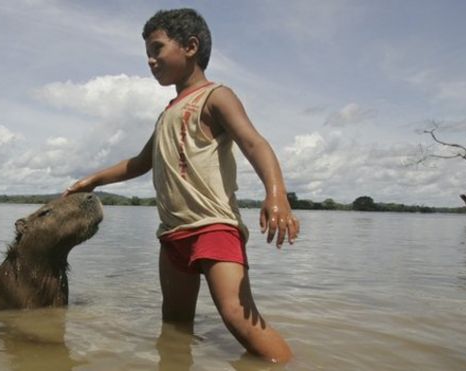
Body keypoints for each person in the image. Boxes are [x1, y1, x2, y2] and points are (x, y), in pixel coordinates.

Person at [64, 8, 299, 363]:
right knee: (174, 326)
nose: (150, 60)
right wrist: (93, 179)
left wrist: (276, 194)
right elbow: (140, 163)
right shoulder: (167, 113)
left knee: (237, 315)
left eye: (157, 49)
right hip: (173, 235)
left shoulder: (216, 96)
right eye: (148, 52)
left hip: (214, 227)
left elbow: (254, 143)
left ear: (190, 47)